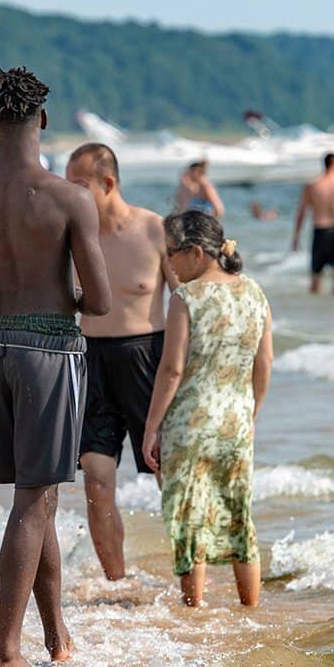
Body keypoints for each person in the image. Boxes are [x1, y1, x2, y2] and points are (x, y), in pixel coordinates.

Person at [0, 66, 111, 667]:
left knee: (39, 497)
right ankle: (3, 651)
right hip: (52, 351)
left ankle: (56, 635)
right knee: (34, 502)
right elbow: (101, 299)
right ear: (43, 120)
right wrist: (58, 302)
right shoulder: (70, 198)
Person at [142, 210, 273, 609]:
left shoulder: (186, 298)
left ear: (196, 252)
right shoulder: (254, 291)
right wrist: (251, 411)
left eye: (171, 254)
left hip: (190, 424)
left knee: (189, 517)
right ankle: (250, 609)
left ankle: (194, 611)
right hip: (236, 423)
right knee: (238, 513)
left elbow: (172, 369)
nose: (168, 263)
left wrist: (151, 428)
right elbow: (264, 361)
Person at [65, 142, 169, 580]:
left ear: (108, 183)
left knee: (170, 475)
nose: (70, 194)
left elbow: (189, 302)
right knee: (96, 482)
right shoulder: (69, 236)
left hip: (149, 358)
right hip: (91, 363)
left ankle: (192, 585)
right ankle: (117, 584)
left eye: (79, 186)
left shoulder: (154, 230)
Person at [292, 152, 334, 296]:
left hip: (321, 230)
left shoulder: (313, 186)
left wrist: (296, 238)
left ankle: (314, 313)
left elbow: (301, 214)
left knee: (316, 274)